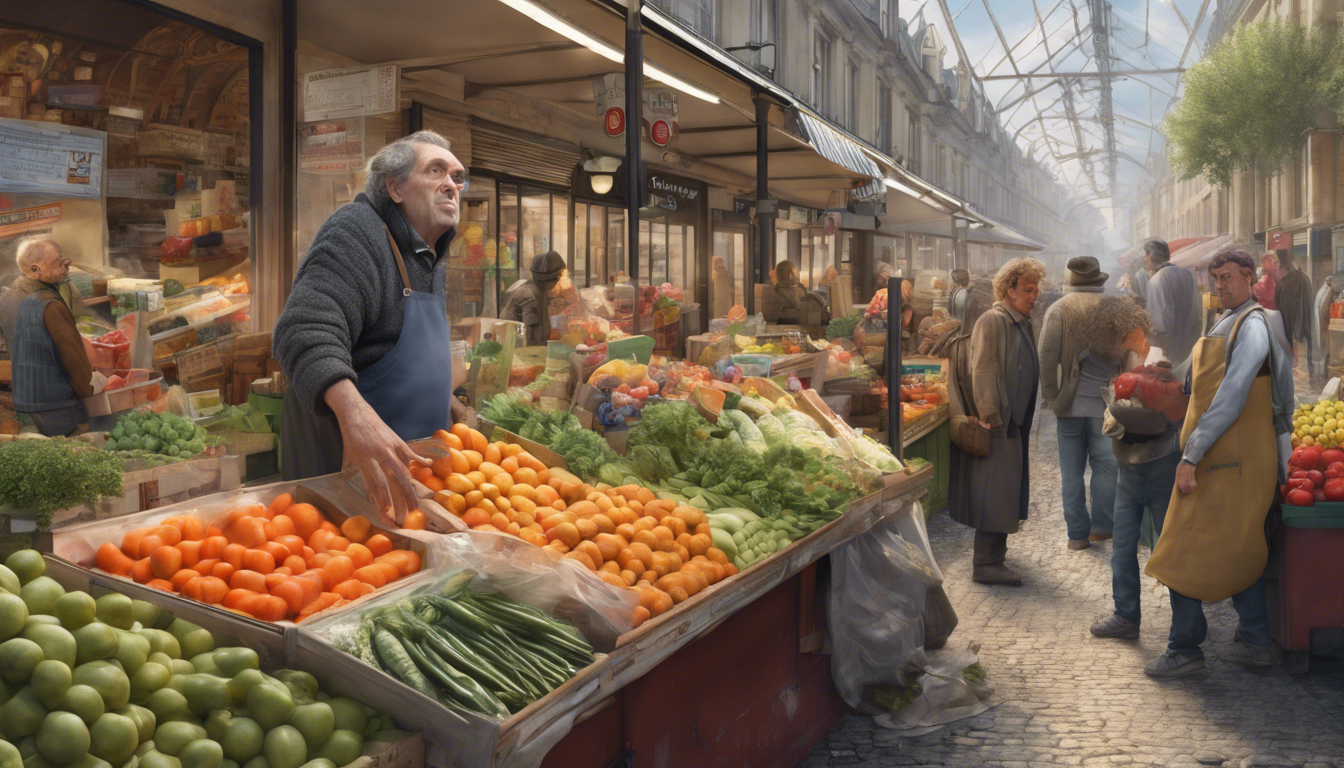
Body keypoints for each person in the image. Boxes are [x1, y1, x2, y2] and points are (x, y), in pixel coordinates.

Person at [274, 130, 464, 522]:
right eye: (436, 171)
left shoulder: (427, 251)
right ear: (394, 187)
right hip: (345, 482)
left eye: (457, 176)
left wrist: (441, 396)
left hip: (407, 483)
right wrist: (355, 415)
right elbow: (303, 329)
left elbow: (385, 341)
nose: (451, 184)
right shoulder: (356, 233)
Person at [1143, 248, 1294, 678]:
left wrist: (1191, 454)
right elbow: (1202, 375)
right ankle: (1258, 641)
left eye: (1227, 277)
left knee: (1181, 546)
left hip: (1231, 459)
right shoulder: (1226, 321)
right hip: (1224, 457)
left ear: (1249, 277)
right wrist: (1171, 373)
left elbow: (1230, 397)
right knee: (1238, 545)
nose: (1219, 285)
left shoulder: (1255, 327)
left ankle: (1185, 647)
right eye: (1215, 278)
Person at [947, 257, 1047, 585]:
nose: (1035, 295)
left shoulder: (1020, 320)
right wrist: (990, 415)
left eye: (1036, 289)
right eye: (1028, 289)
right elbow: (984, 368)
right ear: (1009, 289)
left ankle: (996, 555)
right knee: (994, 490)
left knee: (1004, 490)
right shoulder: (993, 320)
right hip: (1000, 423)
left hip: (1014, 420)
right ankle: (986, 563)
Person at [1039, 257, 1149, 549]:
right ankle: (1102, 527)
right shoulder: (1116, 308)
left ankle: (1076, 535)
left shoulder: (1059, 309)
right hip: (1105, 406)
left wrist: (1052, 398)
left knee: (1071, 471)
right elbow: (1132, 356)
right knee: (1106, 467)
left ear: (1070, 280)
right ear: (1098, 281)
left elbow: (1047, 358)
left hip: (1070, 406)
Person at [0, 237, 95, 437]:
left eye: (64, 262)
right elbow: (74, 360)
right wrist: (91, 394)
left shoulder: (6, 299)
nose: (65, 267)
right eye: (57, 263)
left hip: (24, 404)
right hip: (58, 407)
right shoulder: (50, 305)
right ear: (35, 270)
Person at [1143, 238, 1202, 368]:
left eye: (1145, 260)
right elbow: (1198, 311)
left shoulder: (1156, 280)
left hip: (1169, 355)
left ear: (1148, 258)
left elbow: (1159, 324)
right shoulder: (1187, 274)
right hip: (1190, 348)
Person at [501, 250, 566, 346]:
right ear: (549, 279)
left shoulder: (534, 287)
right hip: (517, 351)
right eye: (558, 277)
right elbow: (533, 338)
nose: (558, 281)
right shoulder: (530, 296)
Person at [1274, 248, 1313, 370]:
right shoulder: (1305, 278)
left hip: (1290, 344)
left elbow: (1281, 314)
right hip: (1307, 340)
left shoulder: (1283, 284)